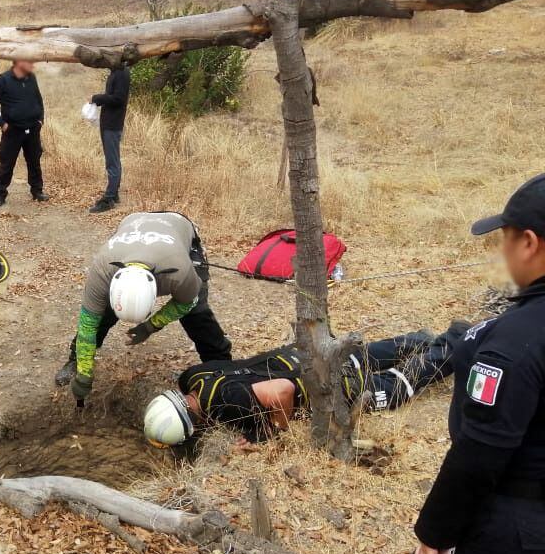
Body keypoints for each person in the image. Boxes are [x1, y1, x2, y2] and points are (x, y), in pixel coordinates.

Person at [370, 174, 545, 554]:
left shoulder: (515, 342)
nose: (503, 250)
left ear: (528, 243)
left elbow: (481, 450)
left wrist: (437, 531)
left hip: (511, 515)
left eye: (505, 239)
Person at [143, 327, 464, 448]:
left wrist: (277, 429)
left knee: (393, 389)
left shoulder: (221, 405)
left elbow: (280, 391)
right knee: (361, 355)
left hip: (320, 381)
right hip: (300, 353)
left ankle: (452, 348)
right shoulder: (191, 377)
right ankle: (420, 341)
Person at [54, 211, 232, 400]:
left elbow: (187, 303)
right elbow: (88, 326)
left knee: (197, 315)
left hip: (178, 225)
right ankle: (75, 359)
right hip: (135, 222)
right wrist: (84, 374)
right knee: (103, 313)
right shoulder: (102, 271)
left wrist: (150, 325)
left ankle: (221, 371)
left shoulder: (179, 272)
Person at [0, 59, 48, 207]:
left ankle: (37, 191)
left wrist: (40, 120)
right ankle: (0, 194)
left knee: (34, 161)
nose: (32, 64)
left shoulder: (31, 78)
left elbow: (39, 100)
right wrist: (2, 124)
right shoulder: (3, 80)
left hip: (33, 128)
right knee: (7, 163)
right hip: (12, 130)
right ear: (19, 62)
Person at [88, 61, 131, 214]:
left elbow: (118, 98)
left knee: (112, 162)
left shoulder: (121, 73)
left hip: (113, 124)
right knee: (112, 160)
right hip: (109, 123)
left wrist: (97, 98)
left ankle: (109, 198)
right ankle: (114, 193)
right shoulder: (116, 71)